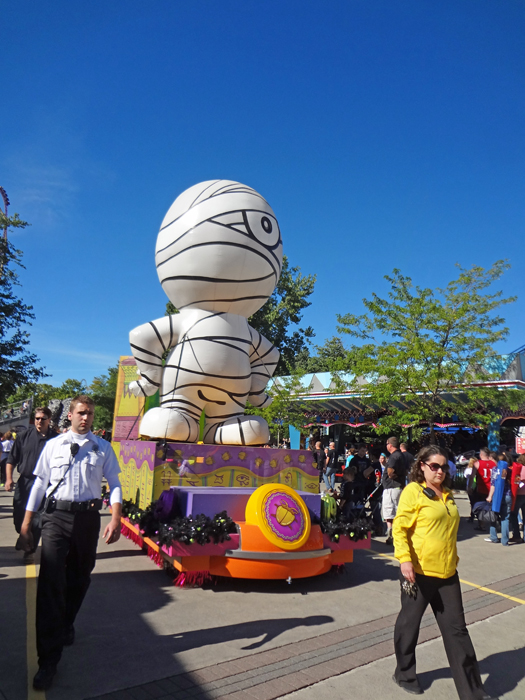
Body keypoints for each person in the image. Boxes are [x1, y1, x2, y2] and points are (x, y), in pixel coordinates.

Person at [17, 395, 122, 691]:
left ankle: (66, 622)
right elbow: (39, 483)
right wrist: (26, 521)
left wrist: (115, 517)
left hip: (87, 520)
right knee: (51, 584)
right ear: (70, 416)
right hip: (55, 518)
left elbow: (114, 484)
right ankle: (48, 660)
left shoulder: (102, 448)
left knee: (80, 577)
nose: (85, 418)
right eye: (80, 413)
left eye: (89, 413)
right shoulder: (54, 446)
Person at [392, 445, 495, 700]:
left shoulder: (447, 494)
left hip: (448, 573)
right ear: (422, 466)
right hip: (418, 572)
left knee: (457, 631)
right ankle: (404, 673)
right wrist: (405, 560)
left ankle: (472, 692)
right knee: (409, 625)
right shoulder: (413, 492)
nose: (439, 471)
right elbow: (399, 529)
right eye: (434, 466)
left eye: (443, 466)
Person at [5, 407, 58, 562]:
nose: (39, 421)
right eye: (37, 418)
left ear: (49, 420)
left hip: (45, 485)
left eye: (43, 418)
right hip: (25, 483)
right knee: (19, 516)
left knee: (37, 519)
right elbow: (11, 460)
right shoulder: (23, 436)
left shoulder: (56, 440)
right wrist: (9, 479)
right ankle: (22, 534)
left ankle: (30, 550)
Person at [382, 437, 407, 545]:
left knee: (389, 512)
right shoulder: (401, 455)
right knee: (397, 510)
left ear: (390, 445)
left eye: (387, 444)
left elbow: (390, 471)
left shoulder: (393, 456)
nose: (386, 445)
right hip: (399, 487)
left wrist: (392, 476)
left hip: (392, 487)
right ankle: (396, 534)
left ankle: (391, 534)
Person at [485, 451, 512, 546]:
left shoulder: (495, 469)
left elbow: (493, 485)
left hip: (497, 497)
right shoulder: (509, 470)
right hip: (508, 495)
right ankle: (505, 541)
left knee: (494, 516)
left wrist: (490, 496)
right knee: (505, 518)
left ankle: (493, 536)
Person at [509, 454, 525, 543]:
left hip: (519, 495)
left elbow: (516, 481)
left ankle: (516, 535)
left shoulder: (520, 469)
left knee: (514, 514)